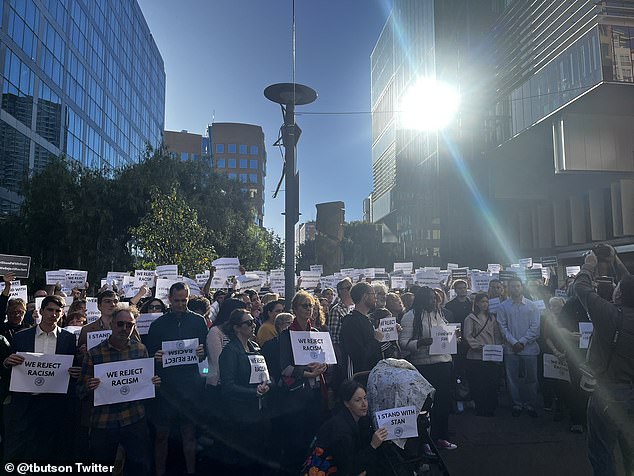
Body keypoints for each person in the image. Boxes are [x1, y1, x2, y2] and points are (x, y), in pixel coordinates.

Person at [78, 305, 160, 475]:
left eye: (129, 325)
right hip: (104, 422)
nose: (124, 329)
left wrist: (153, 383)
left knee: (139, 467)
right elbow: (79, 390)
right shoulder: (94, 354)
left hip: (134, 418)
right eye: (120, 324)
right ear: (112, 325)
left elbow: (145, 383)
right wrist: (89, 386)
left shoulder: (140, 350)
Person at [574, 246, 634, 475]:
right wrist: (616, 261)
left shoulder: (610, 315)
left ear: (618, 294)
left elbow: (581, 288)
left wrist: (589, 265)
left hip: (610, 393)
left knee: (602, 452)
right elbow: (630, 285)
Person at [2, 295, 81, 463]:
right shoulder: (21, 337)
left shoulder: (68, 338)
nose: (53, 314)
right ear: (41, 311)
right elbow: (12, 369)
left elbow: (71, 366)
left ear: (61, 314)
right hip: (26, 403)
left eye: (58, 311)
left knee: (50, 450)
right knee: (19, 450)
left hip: (54, 403)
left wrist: (75, 372)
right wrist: (7, 362)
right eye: (50, 310)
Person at [146, 282, 207, 476]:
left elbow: (205, 354)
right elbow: (149, 354)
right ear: (169, 300)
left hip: (190, 386)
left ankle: (191, 472)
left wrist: (201, 352)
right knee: (161, 435)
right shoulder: (158, 324)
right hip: (166, 388)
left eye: (184, 300)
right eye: (177, 300)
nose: (181, 304)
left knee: (189, 433)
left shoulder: (198, 321)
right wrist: (155, 357)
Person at [399, 286, 457, 450]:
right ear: (423, 299)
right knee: (426, 405)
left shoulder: (438, 313)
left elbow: (443, 334)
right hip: (424, 365)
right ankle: (426, 441)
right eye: (431, 298)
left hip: (443, 362)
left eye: (436, 298)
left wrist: (453, 337)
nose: (434, 301)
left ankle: (441, 437)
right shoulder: (410, 316)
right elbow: (403, 343)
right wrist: (421, 342)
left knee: (443, 402)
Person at [278, 291, 329, 472]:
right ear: (294, 309)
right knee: (296, 441)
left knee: (313, 438)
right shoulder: (286, 335)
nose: (308, 309)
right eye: (304, 305)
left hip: (315, 394)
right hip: (295, 396)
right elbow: (284, 368)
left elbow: (325, 361)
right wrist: (307, 373)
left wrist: (323, 368)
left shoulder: (316, 333)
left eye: (311, 306)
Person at [218, 308, 270, 470]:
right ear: (236, 327)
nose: (253, 325)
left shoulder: (255, 347)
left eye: (253, 321)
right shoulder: (230, 351)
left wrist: (267, 385)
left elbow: (265, 374)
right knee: (242, 461)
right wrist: (253, 392)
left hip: (257, 411)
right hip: (239, 414)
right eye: (248, 323)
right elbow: (228, 386)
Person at [304, 379, 387, 476]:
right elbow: (347, 468)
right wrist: (373, 445)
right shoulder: (341, 430)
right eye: (358, 400)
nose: (364, 404)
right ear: (346, 403)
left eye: (365, 398)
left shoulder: (357, 419)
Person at [496, 277, 541, 417]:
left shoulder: (532, 306)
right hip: (511, 348)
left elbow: (535, 327)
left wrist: (522, 341)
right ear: (508, 288)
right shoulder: (503, 307)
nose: (516, 288)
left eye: (518, 286)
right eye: (513, 286)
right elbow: (502, 327)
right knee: (512, 378)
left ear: (522, 287)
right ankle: (516, 404)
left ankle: (530, 404)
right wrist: (514, 342)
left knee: (531, 379)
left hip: (529, 348)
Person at [463, 293, 503, 416]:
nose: (485, 304)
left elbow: (496, 334)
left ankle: (490, 406)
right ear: (477, 303)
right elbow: (467, 335)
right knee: (478, 383)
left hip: (490, 355)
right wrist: (478, 346)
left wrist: (497, 348)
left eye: (486, 302)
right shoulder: (470, 318)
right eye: (482, 301)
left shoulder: (492, 318)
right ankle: (481, 407)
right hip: (476, 355)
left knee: (490, 382)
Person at [341, 282, 383, 377]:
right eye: (373, 294)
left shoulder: (368, 320)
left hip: (371, 374)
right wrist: (375, 340)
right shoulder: (351, 322)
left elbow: (375, 350)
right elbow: (359, 355)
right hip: (358, 377)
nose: (375, 298)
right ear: (365, 296)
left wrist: (393, 333)